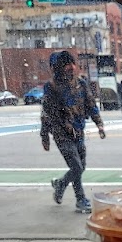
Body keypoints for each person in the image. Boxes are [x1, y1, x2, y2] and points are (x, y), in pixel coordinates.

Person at [40, 50, 106, 214]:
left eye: (72, 63)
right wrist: (45, 136)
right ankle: (80, 199)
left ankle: (60, 184)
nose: (71, 67)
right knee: (76, 166)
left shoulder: (81, 83)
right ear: (58, 67)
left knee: (81, 167)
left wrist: (99, 124)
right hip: (61, 134)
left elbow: (91, 104)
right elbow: (47, 112)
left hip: (79, 131)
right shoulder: (51, 87)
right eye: (66, 64)